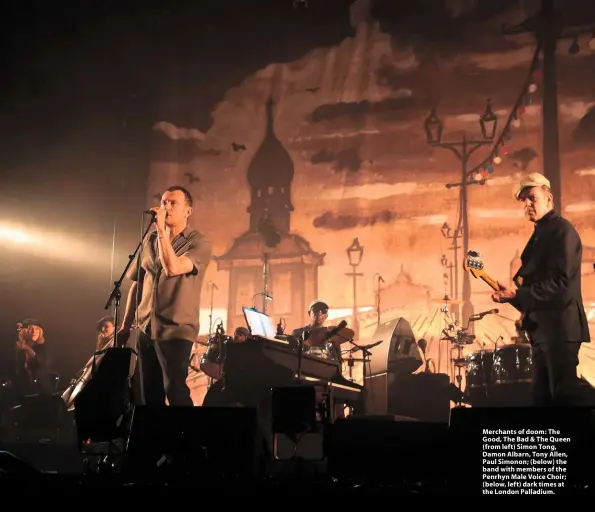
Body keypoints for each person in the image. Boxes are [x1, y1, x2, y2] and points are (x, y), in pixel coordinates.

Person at [491, 172, 590, 407]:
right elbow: (536, 293)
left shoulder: (562, 232)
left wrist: (518, 294)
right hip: (544, 333)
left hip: (560, 331)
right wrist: (513, 295)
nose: (527, 205)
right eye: (523, 201)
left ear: (549, 199)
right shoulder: (541, 236)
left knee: (564, 399)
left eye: (532, 198)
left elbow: (561, 287)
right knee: (544, 402)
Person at [119, 185, 212, 406]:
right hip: (146, 327)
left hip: (176, 329)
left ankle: (188, 439)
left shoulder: (198, 243)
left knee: (175, 390)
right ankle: (155, 440)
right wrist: (126, 325)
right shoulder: (149, 240)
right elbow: (137, 285)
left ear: (188, 211)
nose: (166, 207)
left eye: (173, 203)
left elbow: (173, 268)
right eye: (163, 202)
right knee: (148, 394)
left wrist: (162, 230)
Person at [14, 318, 53, 394]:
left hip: (42, 391)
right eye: (30, 328)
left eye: (37, 329)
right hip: (23, 391)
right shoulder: (19, 349)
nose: (34, 331)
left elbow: (40, 362)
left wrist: (27, 348)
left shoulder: (44, 347)